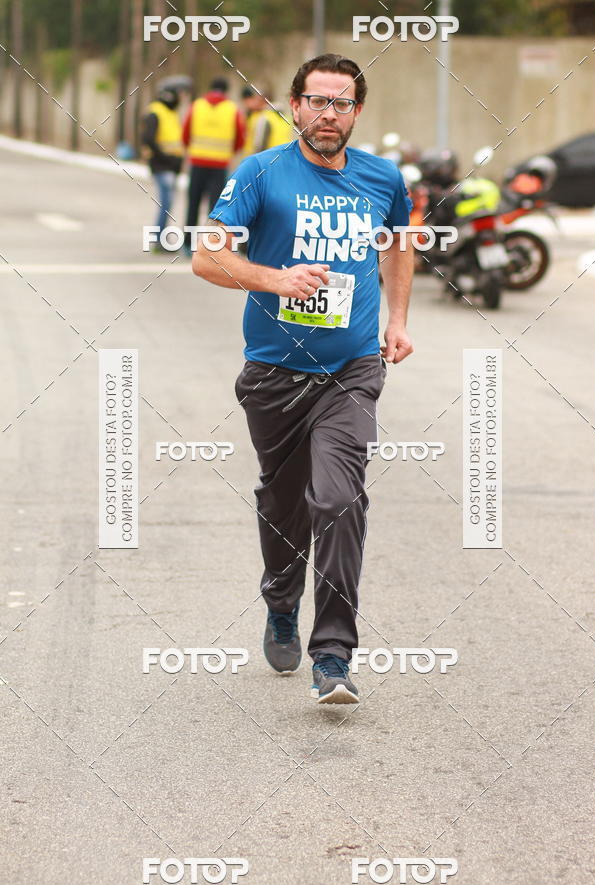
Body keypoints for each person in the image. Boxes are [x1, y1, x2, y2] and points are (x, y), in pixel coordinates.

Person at [192, 54, 414, 704]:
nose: (328, 114)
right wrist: (273, 278)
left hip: (352, 369)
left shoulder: (381, 177)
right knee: (284, 503)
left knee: (338, 498)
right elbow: (208, 257)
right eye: (316, 101)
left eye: (340, 103)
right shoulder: (261, 173)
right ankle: (281, 598)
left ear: (357, 112)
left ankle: (333, 656)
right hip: (273, 373)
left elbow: (401, 238)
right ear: (295, 107)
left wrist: (396, 318)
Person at [182, 77, 245, 254]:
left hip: (197, 162)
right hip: (220, 164)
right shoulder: (233, 109)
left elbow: (185, 134)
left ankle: (188, 244)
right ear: (226, 91)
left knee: (193, 204)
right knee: (216, 208)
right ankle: (210, 245)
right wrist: (228, 153)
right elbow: (240, 138)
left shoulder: (197, 106)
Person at [140, 86, 184, 251]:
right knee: (166, 202)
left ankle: (161, 238)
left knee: (168, 202)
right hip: (162, 165)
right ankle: (159, 240)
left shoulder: (170, 113)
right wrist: (166, 159)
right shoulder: (155, 112)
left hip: (171, 166)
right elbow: (148, 139)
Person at [240, 85, 294, 156]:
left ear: (263, 100)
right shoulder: (284, 116)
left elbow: (259, 145)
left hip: (268, 159)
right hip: (283, 156)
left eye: (256, 99)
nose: (254, 102)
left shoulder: (264, 117)